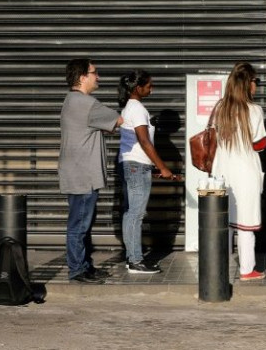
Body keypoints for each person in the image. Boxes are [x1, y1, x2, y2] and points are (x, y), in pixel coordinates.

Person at [58, 59, 123, 284]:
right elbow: (120, 121)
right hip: (83, 175)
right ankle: (77, 270)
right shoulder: (87, 103)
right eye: (95, 73)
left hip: (77, 173)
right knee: (79, 225)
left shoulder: (71, 100)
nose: (99, 77)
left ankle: (85, 266)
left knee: (82, 222)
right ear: (83, 77)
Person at [211, 62, 266, 281]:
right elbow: (259, 144)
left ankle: (220, 267)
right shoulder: (253, 110)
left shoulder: (220, 107)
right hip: (245, 171)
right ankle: (247, 270)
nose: (257, 85)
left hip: (222, 170)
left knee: (224, 221)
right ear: (248, 83)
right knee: (245, 223)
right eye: (256, 81)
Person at [118, 69, 178, 274]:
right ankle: (135, 260)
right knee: (136, 213)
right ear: (138, 88)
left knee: (130, 213)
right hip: (137, 166)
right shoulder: (137, 109)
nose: (151, 89)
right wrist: (162, 167)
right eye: (149, 85)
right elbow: (144, 141)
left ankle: (131, 258)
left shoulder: (129, 108)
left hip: (129, 164)